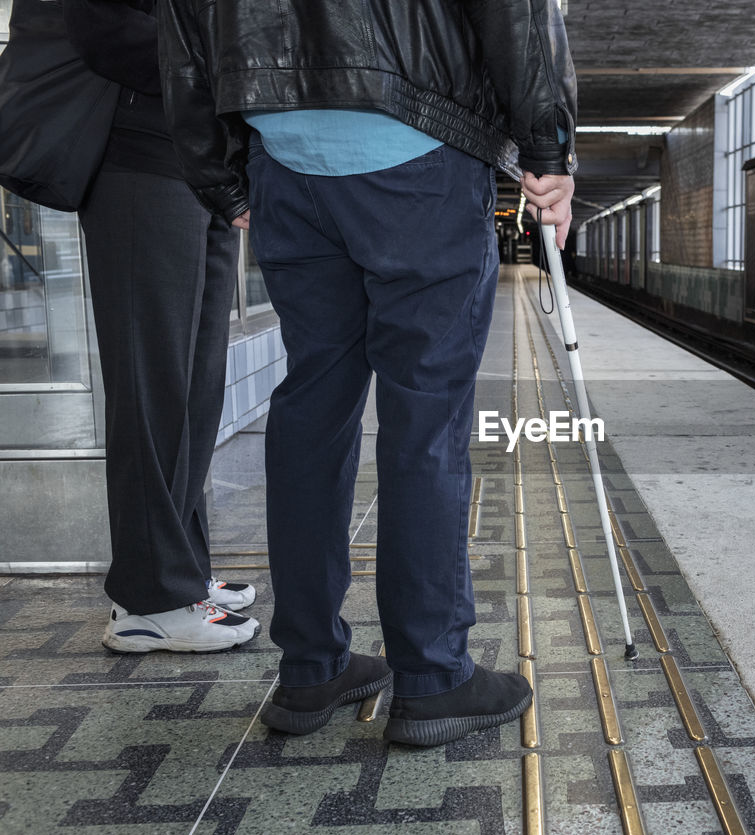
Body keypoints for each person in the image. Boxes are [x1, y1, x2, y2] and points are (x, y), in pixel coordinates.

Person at [158, 0, 576, 746]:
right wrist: (547, 150)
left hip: (281, 155)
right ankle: (433, 675)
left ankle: (312, 667)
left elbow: (183, 26)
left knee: (312, 409)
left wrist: (218, 173)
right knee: (426, 416)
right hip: (418, 145)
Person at [65, 0, 259, 653]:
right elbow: (101, 29)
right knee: (151, 383)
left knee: (192, 386)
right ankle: (147, 600)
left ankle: (183, 571)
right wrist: (221, 68)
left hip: (199, 167)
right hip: (136, 160)